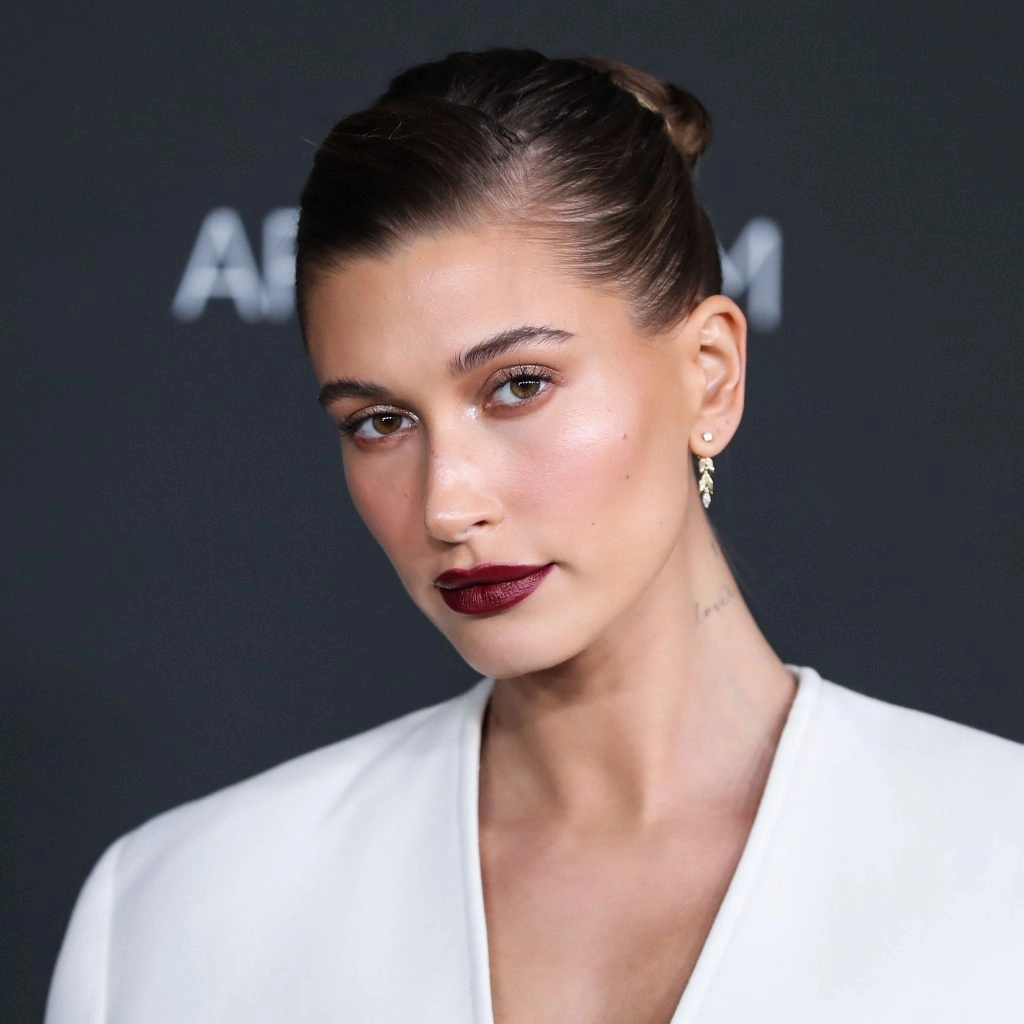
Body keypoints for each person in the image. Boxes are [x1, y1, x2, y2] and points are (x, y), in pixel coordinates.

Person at [45, 47, 1024, 1024]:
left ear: (711, 375)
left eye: (518, 386)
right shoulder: (175, 917)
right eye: (379, 421)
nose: (446, 505)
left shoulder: (997, 862)